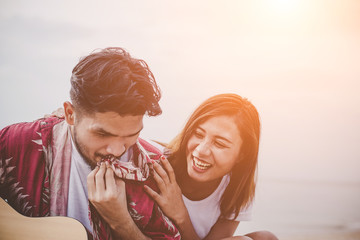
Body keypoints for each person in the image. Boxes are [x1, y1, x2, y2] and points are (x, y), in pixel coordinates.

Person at [0, 47, 180, 240]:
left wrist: (121, 222)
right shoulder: (17, 144)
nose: (117, 150)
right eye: (102, 134)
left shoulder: (156, 172)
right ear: (70, 114)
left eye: (132, 134)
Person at [143, 93, 278, 240]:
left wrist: (181, 216)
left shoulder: (235, 190)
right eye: (198, 134)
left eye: (219, 143)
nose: (201, 151)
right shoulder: (154, 162)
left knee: (265, 238)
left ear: (242, 154)